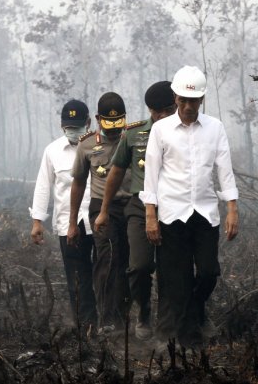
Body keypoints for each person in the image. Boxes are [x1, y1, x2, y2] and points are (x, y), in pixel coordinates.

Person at [140, 66, 239, 347]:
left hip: (205, 214)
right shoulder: (160, 130)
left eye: (193, 101)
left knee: (208, 272)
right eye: (182, 101)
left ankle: (193, 314)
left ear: (202, 100)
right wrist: (151, 215)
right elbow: (151, 175)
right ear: (175, 99)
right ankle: (188, 340)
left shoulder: (215, 128)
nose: (187, 107)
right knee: (178, 280)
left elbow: (225, 170)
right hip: (172, 215)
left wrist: (232, 208)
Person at [93, 81, 177, 340]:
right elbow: (116, 172)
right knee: (139, 266)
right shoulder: (135, 133)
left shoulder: (187, 132)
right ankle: (143, 311)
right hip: (139, 206)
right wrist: (104, 210)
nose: (159, 116)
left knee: (172, 268)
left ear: (175, 106)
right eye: (154, 111)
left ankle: (168, 325)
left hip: (175, 206)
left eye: (165, 110)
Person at [30, 99, 97, 331]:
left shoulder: (101, 146)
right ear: (61, 126)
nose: (74, 132)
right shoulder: (53, 151)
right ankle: (84, 328)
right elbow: (43, 186)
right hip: (68, 224)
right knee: (76, 280)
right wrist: (37, 221)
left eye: (78, 126)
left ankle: (108, 324)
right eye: (69, 127)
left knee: (102, 276)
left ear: (88, 123)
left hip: (99, 221)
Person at [69, 92, 132, 334]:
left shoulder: (134, 138)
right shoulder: (87, 145)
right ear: (98, 119)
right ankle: (106, 317)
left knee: (128, 262)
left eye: (119, 123)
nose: (114, 129)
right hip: (102, 208)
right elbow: (78, 183)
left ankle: (124, 314)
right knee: (107, 258)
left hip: (132, 205)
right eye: (109, 123)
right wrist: (72, 223)